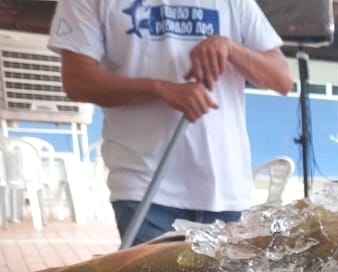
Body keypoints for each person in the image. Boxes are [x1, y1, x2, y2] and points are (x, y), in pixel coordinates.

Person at [48, 0, 293, 245]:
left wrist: (231, 48)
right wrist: (161, 89)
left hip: (226, 192)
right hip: (144, 188)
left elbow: (282, 79)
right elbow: (78, 81)